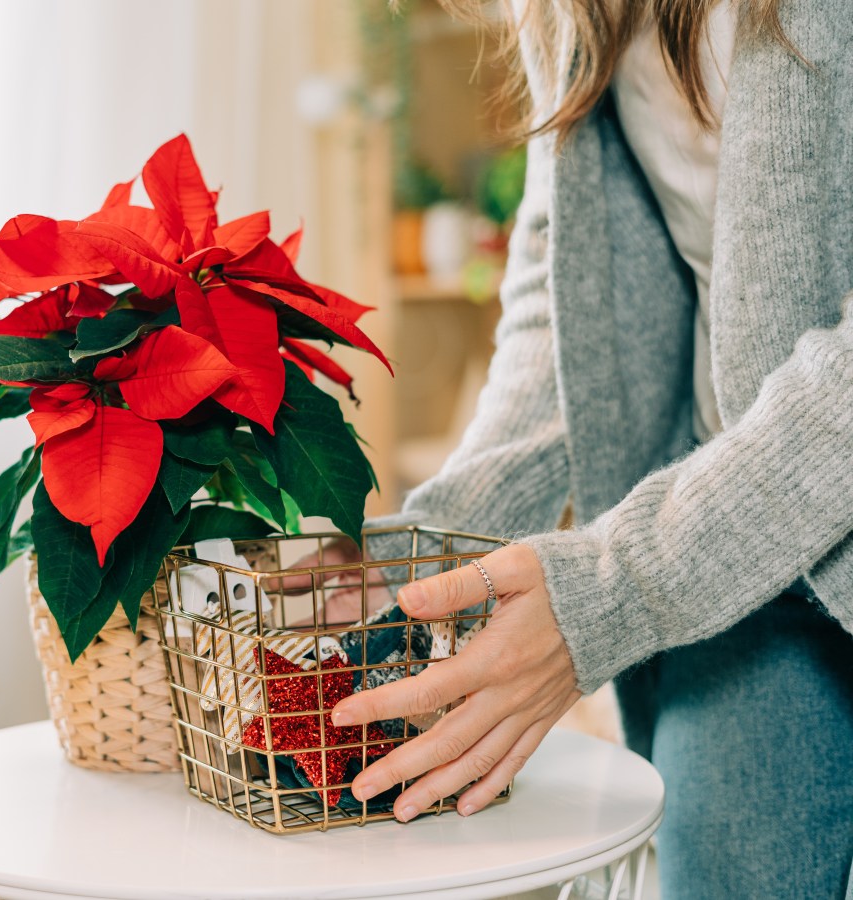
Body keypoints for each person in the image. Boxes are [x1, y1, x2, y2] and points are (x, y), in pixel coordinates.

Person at [320, 2, 853, 897]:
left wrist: (612, 589)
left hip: (712, 531)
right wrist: (423, 554)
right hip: (738, 558)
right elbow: (564, 296)